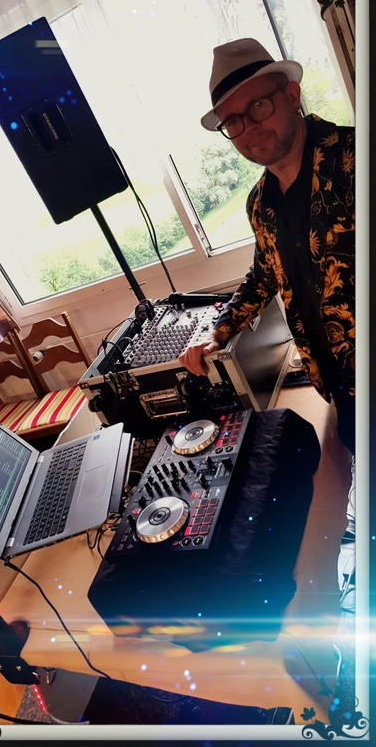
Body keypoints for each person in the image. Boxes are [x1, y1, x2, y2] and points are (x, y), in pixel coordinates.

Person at [178, 38, 355, 611]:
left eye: (257, 106)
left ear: (292, 94)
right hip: (340, 388)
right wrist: (216, 331)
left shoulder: (355, 158)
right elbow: (263, 274)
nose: (248, 128)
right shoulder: (260, 203)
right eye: (232, 121)